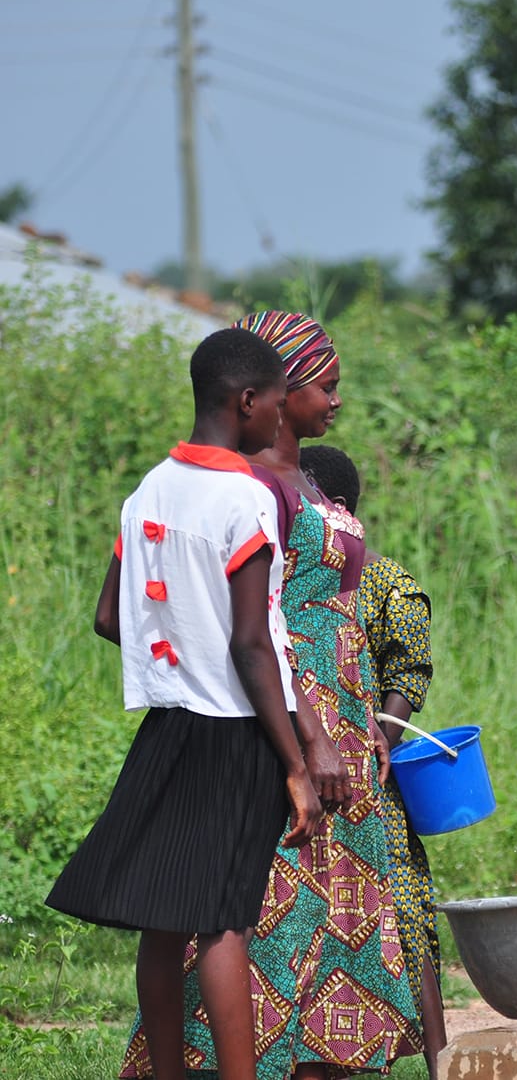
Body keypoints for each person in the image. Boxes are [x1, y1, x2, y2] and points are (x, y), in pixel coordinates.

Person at [123, 312, 420, 1078]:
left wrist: (363, 713)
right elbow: (255, 624)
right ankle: (242, 1057)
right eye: (325, 385)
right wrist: (308, 735)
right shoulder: (245, 488)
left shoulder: (309, 479)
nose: (336, 400)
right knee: (265, 901)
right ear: (275, 393)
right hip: (284, 713)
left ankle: (321, 1055)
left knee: (332, 902)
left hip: (341, 712)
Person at [47, 328, 322, 1080]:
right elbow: (252, 644)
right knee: (224, 923)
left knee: (166, 919)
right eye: (276, 403)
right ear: (248, 402)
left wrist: (177, 650)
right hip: (236, 734)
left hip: (168, 726)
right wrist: (295, 763)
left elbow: (111, 617)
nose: (280, 418)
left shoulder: (150, 489)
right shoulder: (244, 496)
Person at [301, 444, 448, 1079]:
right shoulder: (294, 579)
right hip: (307, 768)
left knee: (400, 909)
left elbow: (410, 670)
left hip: (369, 777)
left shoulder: (386, 583)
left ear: (333, 508)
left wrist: (378, 736)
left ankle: (438, 1056)